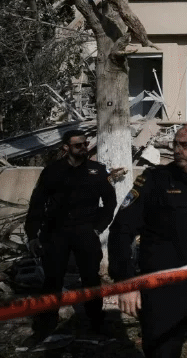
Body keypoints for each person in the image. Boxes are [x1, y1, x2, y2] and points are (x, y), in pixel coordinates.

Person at [108, 125, 187, 358]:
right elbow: (120, 231)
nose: (176, 149)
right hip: (163, 290)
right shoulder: (155, 181)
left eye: (185, 145)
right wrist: (125, 282)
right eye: (174, 144)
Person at [24, 129, 115, 337]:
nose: (84, 148)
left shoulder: (97, 171)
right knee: (53, 279)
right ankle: (46, 324)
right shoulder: (52, 171)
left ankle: (96, 322)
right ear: (66, 147)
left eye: (85, 144)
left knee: (91, 278)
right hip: (56, 232)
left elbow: (110, 201)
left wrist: (98, 227)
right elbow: (37, 204)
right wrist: (32, 235)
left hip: (85, 231)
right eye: (78, 145)